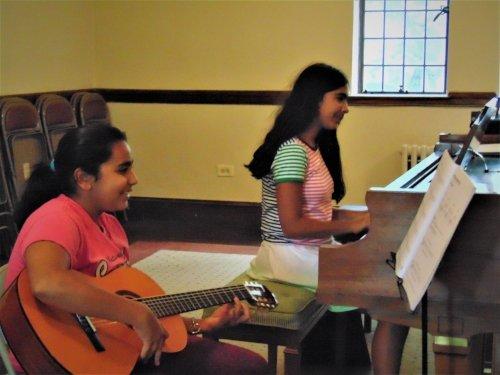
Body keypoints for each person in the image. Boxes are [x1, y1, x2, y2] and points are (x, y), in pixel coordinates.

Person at [4, 125, 267, 374]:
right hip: (59, 358)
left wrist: (203, 325)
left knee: (244, 364)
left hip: (115, 349)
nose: (134, 179)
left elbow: (128, 310)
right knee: (247, 368)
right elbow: (47, 283)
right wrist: (136, 313)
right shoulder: (57, 216)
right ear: (84, 178)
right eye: (123, 170)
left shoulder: (110, 225)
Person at [245, 63, 371, 368]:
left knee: (362, 275)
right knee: (353, 284)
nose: (346, 108)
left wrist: (358, 218)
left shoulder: (313, 147)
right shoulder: (292, 151)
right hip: (286, 255)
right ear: (315, 100)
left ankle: (337, 361)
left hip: (308, 250)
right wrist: (353, 223)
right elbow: (291, 225)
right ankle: (329, 364)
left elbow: (318, 209)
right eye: (339, 98)